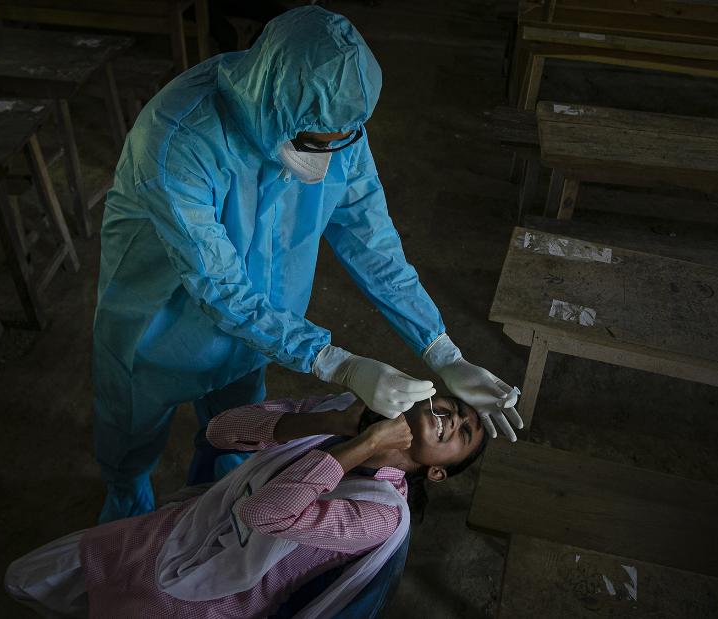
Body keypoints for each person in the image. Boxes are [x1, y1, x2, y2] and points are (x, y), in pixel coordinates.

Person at [93, 5, 521, 523]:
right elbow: (219, 286)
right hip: (161, 321)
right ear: (274, 107)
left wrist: (441, 349)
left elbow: (373, 243)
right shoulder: (177, 140)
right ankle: (126, 489)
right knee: (133, 423)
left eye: (340, 140)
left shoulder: (340, 128)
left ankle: (223, 482)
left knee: (238, 423)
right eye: (314, 142)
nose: (327, 157)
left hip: (268, 323)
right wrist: (336, 363)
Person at [5, 393, 489, 618]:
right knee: (30, 576)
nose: (449, 418)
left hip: (214, 597)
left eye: (462, 431)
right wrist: (338, 419)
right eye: (449, 406)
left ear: (437, 473)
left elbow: (266, 515)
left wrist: (362, 446)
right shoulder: (349, 412)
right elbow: (220, 433)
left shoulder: (382, 513)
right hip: (179, 530)